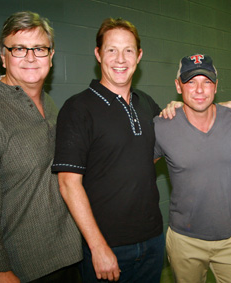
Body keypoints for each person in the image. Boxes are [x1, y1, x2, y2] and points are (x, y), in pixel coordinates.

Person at [0, 11, 82, 282]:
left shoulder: (51, 106)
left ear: (51, 56)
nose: (30, 57)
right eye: (19, 48)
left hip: (68, 260)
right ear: (3, 56)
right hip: (21, 271)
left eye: (40, 49)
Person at [51, 18, 164, 282]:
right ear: (98, 54)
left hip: (153, 240)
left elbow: (153, 152)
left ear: (139, 55)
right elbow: (68, 184)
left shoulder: (145, 103)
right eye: (111, 50)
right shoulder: (78, 108)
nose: (120, 59)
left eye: (128, 50)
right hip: (107, 247)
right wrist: (98, 246)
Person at [154, 54, 231, 283]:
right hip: (184, 242)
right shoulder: (162, 126)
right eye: (190, 82)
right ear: (178, 86)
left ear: (216, 86)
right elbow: (135, 171)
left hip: (228, 239)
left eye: (206, 81)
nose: (199, 90)